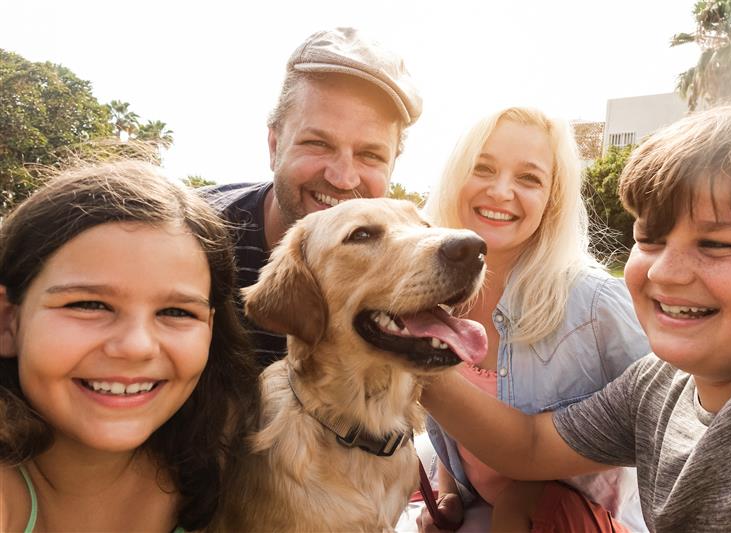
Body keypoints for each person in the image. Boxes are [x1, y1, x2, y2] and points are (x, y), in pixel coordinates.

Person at [420, 103, 731, 532]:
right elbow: (528, 446)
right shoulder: (655, 384)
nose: (663, 272)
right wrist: (407, 355)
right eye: (649, 238)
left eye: (716, 243)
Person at [417, 107, 650, 532]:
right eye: (482, 168)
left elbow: (668, 430)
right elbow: (452, 425)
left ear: (552, 198)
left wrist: (538, 495)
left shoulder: (596, 303)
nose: (501, 191)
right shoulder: (431, 298)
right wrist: (449, 491)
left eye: (529, 178)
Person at [0, 160, 261, 532]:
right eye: (89, 304)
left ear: (210, 328)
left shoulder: (233, 457)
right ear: (8, 321)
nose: (136, 346)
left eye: (176, 311)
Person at [203, 27, 423, 367]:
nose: (342, 177)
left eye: (370, 155)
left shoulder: (408, 272)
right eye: (318, 144)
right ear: (275, 146)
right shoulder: (194, 238)